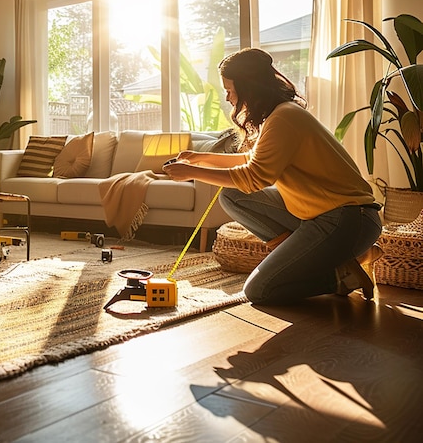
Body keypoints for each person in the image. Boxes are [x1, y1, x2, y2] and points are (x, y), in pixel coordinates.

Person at [163, 48, 383, 305]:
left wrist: (191, 172)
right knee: (232, 196)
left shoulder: (284, 118)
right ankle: (319, 255)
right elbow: (253, 162)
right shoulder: (279, 116)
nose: (227, 97)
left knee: (259, 290)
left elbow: (254, 178)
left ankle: (344, 275)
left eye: (230, 90)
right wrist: (199, 158)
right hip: (323, 217)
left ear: (248, 88)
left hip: (348, 220)